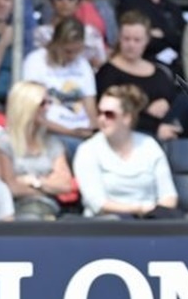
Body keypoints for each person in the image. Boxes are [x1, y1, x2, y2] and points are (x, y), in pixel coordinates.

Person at [74, 85, 178, 218]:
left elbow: (169, 196)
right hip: (105, 223)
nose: (101, 119)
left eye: (109, 114)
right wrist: (140, 209)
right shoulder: (88, 150)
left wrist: (155, 214)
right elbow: (98, 203)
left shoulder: (149, 145)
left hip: (150, 221)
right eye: (99, 113)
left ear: (127, 118)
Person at [97, 11, 187, 142]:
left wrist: (166, 102)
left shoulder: (159, 71)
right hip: (136, 131)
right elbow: (111, 112)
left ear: (146, 41)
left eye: (137, 40)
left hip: (169, 124)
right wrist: (155, 127)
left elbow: (173, 95)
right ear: (119, 39)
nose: (131, 45)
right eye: (126, 39)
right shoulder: (107, 73)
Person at [21, 18, 99, 161]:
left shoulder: (82, 64)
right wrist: (70, 132)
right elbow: (33, 113)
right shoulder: (36, 61)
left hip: (81, 129)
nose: (73, 56)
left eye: (77, 51)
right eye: (68, 51)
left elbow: (90, 104)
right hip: (51, 131)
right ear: (56, 43)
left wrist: (93, 130)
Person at [0, 81, 74, 220]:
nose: (47, 108)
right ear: (26, 106)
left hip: (49, 208)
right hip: (15, 210)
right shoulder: (4, 142)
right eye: (42, 103)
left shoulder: (52, 142)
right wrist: (49, 187)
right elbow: (11, 187)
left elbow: (65, 185)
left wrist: (34, 181)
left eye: (49, 102)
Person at [34, 0, 107, 71]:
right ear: (51, 1)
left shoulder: (91, 33)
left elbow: (101, 64)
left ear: (79, 2)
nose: (65, 3)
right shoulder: (41, 34)